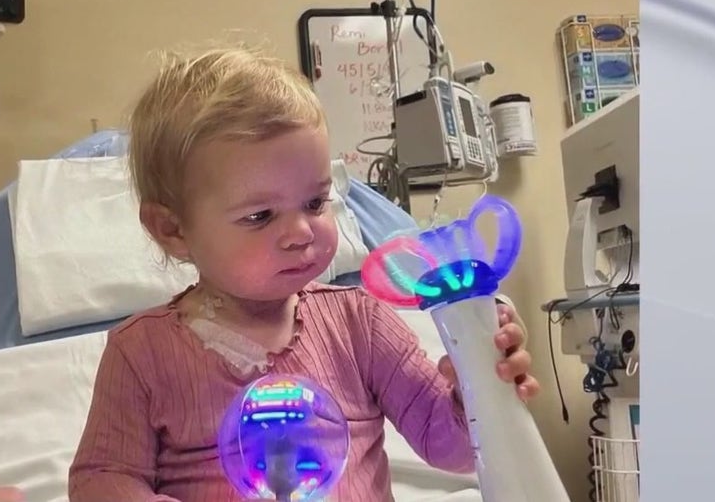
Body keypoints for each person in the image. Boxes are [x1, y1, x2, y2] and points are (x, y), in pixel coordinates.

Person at [68, 45, 540, 502]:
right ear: (173, 230)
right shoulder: (141, 355)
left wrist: (478, 393)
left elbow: (452, 447)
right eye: (260, 216)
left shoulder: (360, 324)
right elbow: (101, 481)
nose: (300, 232)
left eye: (315, 203)